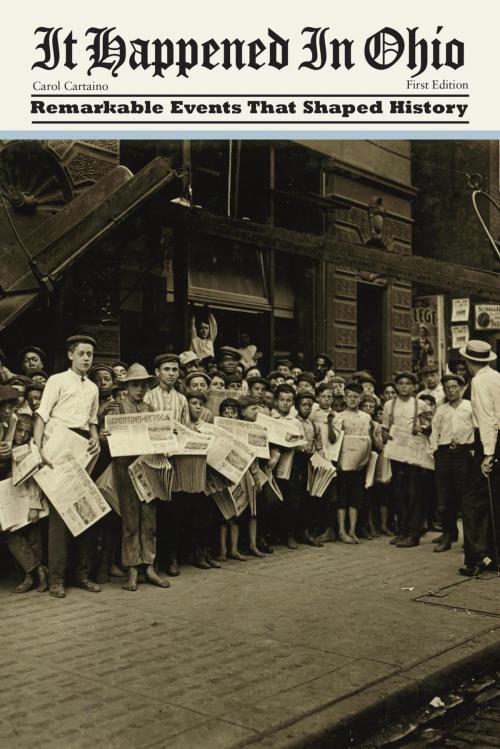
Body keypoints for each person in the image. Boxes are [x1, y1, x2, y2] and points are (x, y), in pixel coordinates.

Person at [33, 334, 101, 599]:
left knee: (84, 511)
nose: (86, 358)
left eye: (90, 355)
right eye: (82, 353)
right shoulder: (56, 380)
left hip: (82, 447)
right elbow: (41, 415)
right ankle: (56, 580)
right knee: (60, 517)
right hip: (58, 446)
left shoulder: (93, 388)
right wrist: (39, 450)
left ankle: (82, 574)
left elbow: (92, 420)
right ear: (70, 355)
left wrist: (94, 435)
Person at [110, 363, 170, 592]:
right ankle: (132, 569)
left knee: (149, 520)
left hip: (148, 468)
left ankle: (149, 566)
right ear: (126, 386)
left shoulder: (151, 409)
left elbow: (160, 438)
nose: (140, 389)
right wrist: (107, 436)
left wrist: (167, 436)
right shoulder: (116, 409)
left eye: (143, 385)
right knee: (130, 521)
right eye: (136, 384)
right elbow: (108, 440)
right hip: (125, 470)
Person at [459, 340, 500, 576]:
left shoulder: (479, 381)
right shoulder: (496, 376)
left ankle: (476, 558)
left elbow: (487, 418)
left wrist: (488, 454)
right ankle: (493, 558)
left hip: (489, 441)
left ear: (468, 361)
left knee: (472, 500)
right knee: (492, 499)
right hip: (496, 439)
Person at [429, 374, 474, 553]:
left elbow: (477, 428)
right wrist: (435, 452)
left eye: (454, 387)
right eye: (447, 388)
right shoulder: (441, 410)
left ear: (461, 388)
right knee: (445, 498)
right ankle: (447, 536)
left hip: (463, 454)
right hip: (445, 454)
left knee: (465, 497)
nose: (450, 391)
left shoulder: (470, 407)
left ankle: (469, 540)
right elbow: (434, 432)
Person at [382, 371, 426, 548]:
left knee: (413, 492)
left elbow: (429, 426)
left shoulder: (420, 404)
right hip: (397, 453)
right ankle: (403, 530)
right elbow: (385, 428)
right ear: (396, 386)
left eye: (408, 383)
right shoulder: (388, 405)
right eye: (401, 383)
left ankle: (414, 534)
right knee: (399, 491)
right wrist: (387, 435)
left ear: (414, 386)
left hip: (414, 453)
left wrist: (420, 429)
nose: (404, 386)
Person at [88, 364, 124, 583]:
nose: (103, 383)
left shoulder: (120, 405)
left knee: (112, 516)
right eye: (98, 379)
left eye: (107, 379)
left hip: (112, 463)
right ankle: (91, 565)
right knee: (93, 515)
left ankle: (107, 563)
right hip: (93, 464)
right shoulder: (87, 405)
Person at [5, 414, 48, 594]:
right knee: (13, 537)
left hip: (30, 501)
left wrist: (34, 505)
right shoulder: (7, 448)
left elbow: (35, 480)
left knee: (34, 539)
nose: (21, 435)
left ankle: (33, 578)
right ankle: (37, 571)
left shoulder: (31, 450)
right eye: (19, 430)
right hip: (11, 502)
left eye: (26, 432)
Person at [334, 382, 372, 544]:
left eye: (356, 397)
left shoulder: (366, 417)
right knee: (342, 496)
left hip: (359, 464)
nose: (352, 400)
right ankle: (342, 530)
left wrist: (365, 459)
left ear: (361, 398)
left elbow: (367, 441)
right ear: (345, 397)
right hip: (343, 462)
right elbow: (334, 441)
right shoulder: (339, 416)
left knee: (356, 496)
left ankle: (352, 530)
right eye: (349, 396)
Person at [292, 391, 323, 546]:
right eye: (303, 405)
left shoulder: (313, 425)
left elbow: (318, 445)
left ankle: (304, 531)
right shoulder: (293, 422)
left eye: (310, 405)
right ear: (297, 406)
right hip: (295, 462)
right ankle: (293, 533)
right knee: (295, 498)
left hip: (309, 461)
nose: (307, 408)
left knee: (307, 496)